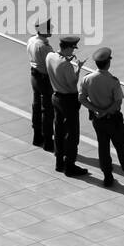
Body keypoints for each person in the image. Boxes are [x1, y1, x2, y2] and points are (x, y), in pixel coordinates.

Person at [78, 46, 124, 188]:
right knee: (121, 148)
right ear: (108, 63)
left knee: (103, 148)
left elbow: (82, 99)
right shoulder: (112, 81)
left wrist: (97, 110)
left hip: (97, 120)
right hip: (113, 120)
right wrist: (106, 111)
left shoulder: (86, 79)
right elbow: (117, 102)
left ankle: (107, 177)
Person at [46, 35, 89, 178]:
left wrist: (68, 61)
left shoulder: (50, 56)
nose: (73, 51)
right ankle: (70, 166)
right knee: (72, 134)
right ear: (69, 48)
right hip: (68, 100)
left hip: (56, 96)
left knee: (58, 130)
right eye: (73, 48)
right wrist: (78, 68)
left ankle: (59, 163)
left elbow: (57, 67)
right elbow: (72, 83)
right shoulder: (66, 65)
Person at [26, 19, 55, 150]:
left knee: (36, 106)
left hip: (34, 76)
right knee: (47, 110)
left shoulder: (31, 40)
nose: (52, 30)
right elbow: (52, 64)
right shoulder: (45, 46)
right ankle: (48, 141)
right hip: (44, 79)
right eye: (50, 29)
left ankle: (37, 137)